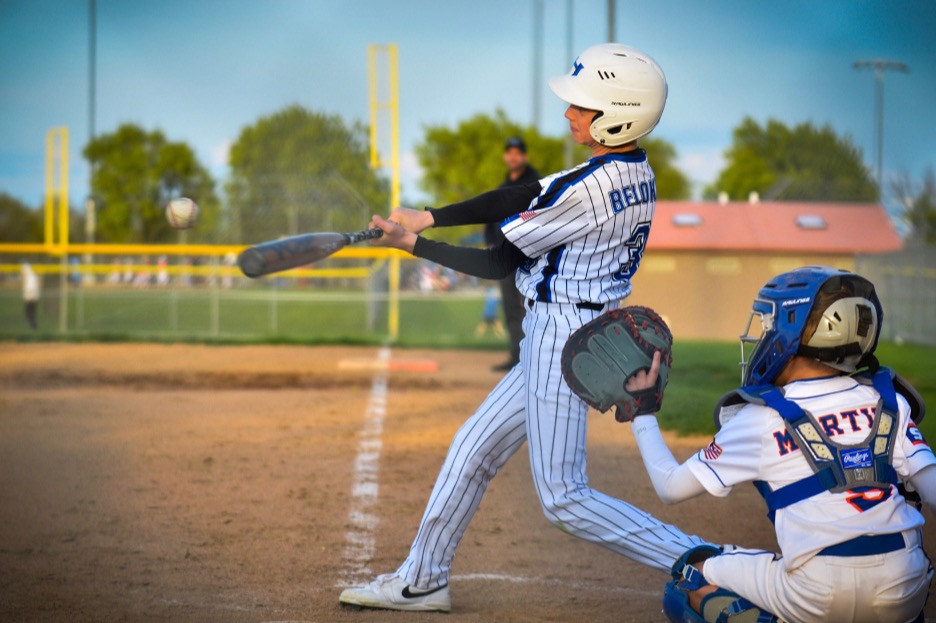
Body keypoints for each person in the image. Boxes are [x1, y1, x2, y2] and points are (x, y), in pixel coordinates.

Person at [338, 43, 708, 613]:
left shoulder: (587, 191)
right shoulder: (633, 170)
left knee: (564, 497)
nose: (569, 113)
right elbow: (525, 193)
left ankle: (707, 561)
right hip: (570, 326)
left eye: (583, 105)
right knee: (472, 448)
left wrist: (411, 243)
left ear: (618, 115)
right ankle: (423, 579)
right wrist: (430, 216)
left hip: (566, 335)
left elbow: (497, 263)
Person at [624, 266, 936, 623]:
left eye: (769, 324)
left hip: (818, 593)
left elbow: (670, 486)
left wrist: (642, 410)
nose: (764, 335)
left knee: (689, 578)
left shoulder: (761, 417)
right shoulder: (891, 403)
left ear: (791, 333)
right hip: (904, 586)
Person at [486, 137, 540, 371]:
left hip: (530, 258)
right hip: (505, 259)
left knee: (533, 308)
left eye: (518, 152)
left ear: (524, 156)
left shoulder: (536, 184)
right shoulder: (503, 187)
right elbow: (490, 219)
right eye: (510, 152)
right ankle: (517, 357)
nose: (513, 156)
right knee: (511, 308)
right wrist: (491, 243)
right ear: (505, 156)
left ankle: (535, 358)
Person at [21, 263, 39, 330]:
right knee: (28, 312)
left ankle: (34, 327)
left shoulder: (31, 277)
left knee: (29, 312)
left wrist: (31, 297)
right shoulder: (29, 277)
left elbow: (32, 288)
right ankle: (33, 327)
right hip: (30, 298)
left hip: (31, 298)